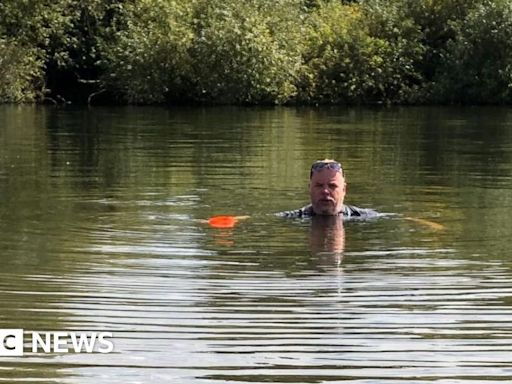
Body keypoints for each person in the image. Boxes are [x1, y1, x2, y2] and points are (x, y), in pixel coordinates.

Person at [279, 159, 379, 219]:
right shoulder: (289, 218)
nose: (325, 191)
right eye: (319, 185)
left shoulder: (367, 216)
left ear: (344, 189)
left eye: (332, 186)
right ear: (310, 188)